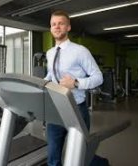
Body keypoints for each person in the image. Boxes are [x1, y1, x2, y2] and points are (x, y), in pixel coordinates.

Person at [44, 10, 103, 166]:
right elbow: (51, 74)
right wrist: (41, 83)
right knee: (52, 157)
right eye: (53, 24)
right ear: (50, 28)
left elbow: (98, 77)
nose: (57, 27)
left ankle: (102, 164)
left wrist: (76, 83)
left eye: (61, 23)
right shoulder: (50, 53)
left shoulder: (80, 51)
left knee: (81, 155)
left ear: (68, 27)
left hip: (77, 109)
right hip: (55, 110)